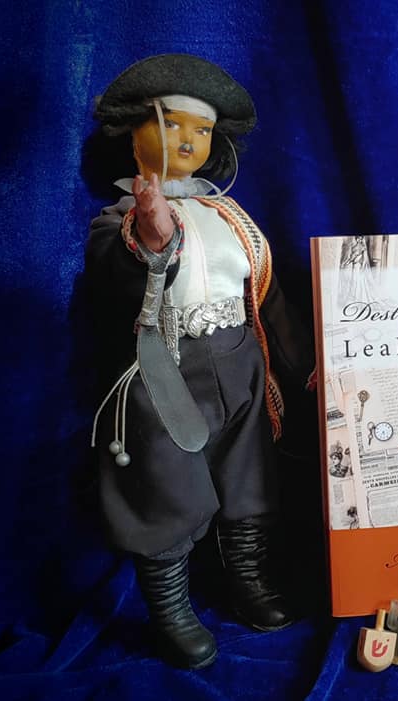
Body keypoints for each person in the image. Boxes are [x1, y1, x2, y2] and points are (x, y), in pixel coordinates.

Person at [86, 54, 313, 669]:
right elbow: (114, 281)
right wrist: (151, 240)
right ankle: (171, 606)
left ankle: (249, 578)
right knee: (167, 484)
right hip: (166, 374)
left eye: (202, 130)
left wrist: (306, 367)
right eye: (171, 124)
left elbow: (266, 296)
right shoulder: (117, 222)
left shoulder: (230, 218)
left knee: (249, 474)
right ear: (134, 131)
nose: (188, 141)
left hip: (240, 364)